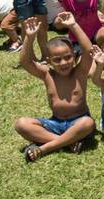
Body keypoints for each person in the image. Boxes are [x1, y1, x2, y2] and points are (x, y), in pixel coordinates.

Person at [15, 14, 97, 162]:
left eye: (68, 57)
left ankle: (46, 148)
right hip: (55, 123)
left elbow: (88, 50)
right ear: (49, 61)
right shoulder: (47, 74)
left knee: (88, 123)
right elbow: (25, 62)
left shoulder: (80, 72)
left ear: (74, 55)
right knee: (21, 124)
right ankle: (68, 142)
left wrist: (73, 25)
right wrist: (29, 37)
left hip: (78, 122)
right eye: (57, 60)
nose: (64, 63)